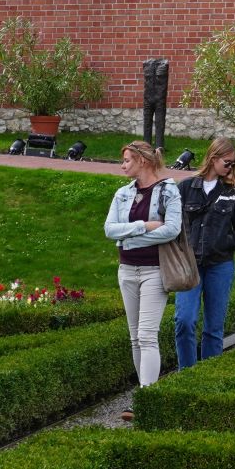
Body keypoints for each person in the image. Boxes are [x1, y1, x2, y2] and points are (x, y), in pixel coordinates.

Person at [102, 139, 184, 388]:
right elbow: (109, 230)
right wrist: (143, 227)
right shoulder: (123, 193)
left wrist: (129, 237)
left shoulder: (169, 190)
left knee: (147, 336)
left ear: (143, 161)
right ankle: (142, 393)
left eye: (127, 160)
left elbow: (171, 230)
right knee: (135, 338)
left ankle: (146, 396)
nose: (122, 166)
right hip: (126, 269)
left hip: (154, 271)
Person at [174, 136, 235, 370]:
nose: (230, 168)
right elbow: (171, 221)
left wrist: (226, 242)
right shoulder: (187, 187)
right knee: (184, 320)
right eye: (227, 162)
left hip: (220, 265)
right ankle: (186, 375)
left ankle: (207, 376)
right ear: (213, 158)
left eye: (233, 164)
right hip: (189, 264)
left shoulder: (233, 192)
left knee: (214, 327)